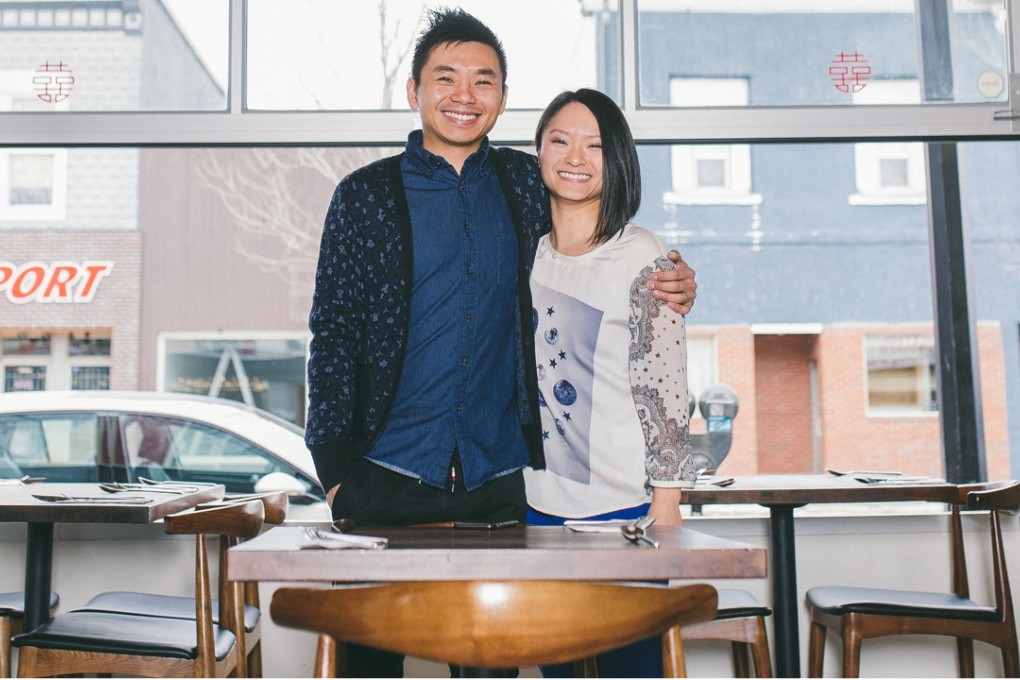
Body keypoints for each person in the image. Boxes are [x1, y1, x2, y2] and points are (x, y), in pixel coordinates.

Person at [305, 8, 696, 677]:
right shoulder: (364, 196)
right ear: (414, 90)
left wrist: (673, 280)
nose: (465, 94)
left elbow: (596, 243)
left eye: (483, 80)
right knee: (365, 662)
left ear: (503, 98)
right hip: (385, 476)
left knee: (498, 660)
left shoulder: (526, 184)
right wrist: (336, 472)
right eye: (446, 77)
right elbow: (332, 332)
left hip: (501, 487)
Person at [523, 88, 696, 678]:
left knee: (634, 670)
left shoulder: (642, 254)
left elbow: (666, 387)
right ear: (539, 152)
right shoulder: (528, 254)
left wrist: (666, 504)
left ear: (617, 158)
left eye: (595, 145)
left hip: (624, 511)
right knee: (557, 670)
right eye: (560, 140)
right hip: (537, 508)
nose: (575, 157)